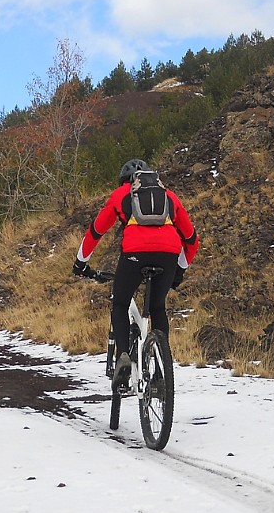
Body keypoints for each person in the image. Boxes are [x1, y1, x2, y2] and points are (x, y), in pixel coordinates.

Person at [72, 158, 199, 388]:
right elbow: (192, 240)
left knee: (120, 302)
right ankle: (161, 369)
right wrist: (179, 270)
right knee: (158, 307)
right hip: (169, 253)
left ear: (125, 181)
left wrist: (81, 263)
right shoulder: (168, 196)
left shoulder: (121, 194)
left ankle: (123, 358)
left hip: (134, 254)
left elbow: (95, 232)